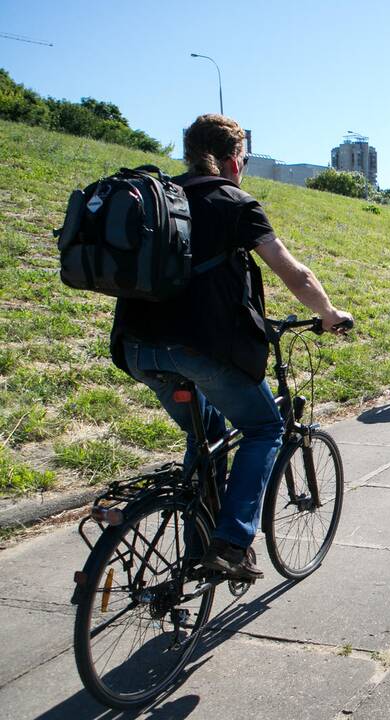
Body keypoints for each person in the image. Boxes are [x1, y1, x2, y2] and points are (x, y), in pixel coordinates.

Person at [109, 114, 353, 581]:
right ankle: (232, 542)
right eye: (240, 158)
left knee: (208, 434)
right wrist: (328, 313)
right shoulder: (233, 201)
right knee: (263, 428)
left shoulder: (162, 197)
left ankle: (199, 540)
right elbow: (293, 273)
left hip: (137, 348)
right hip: (198, 349)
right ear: (232, 159)